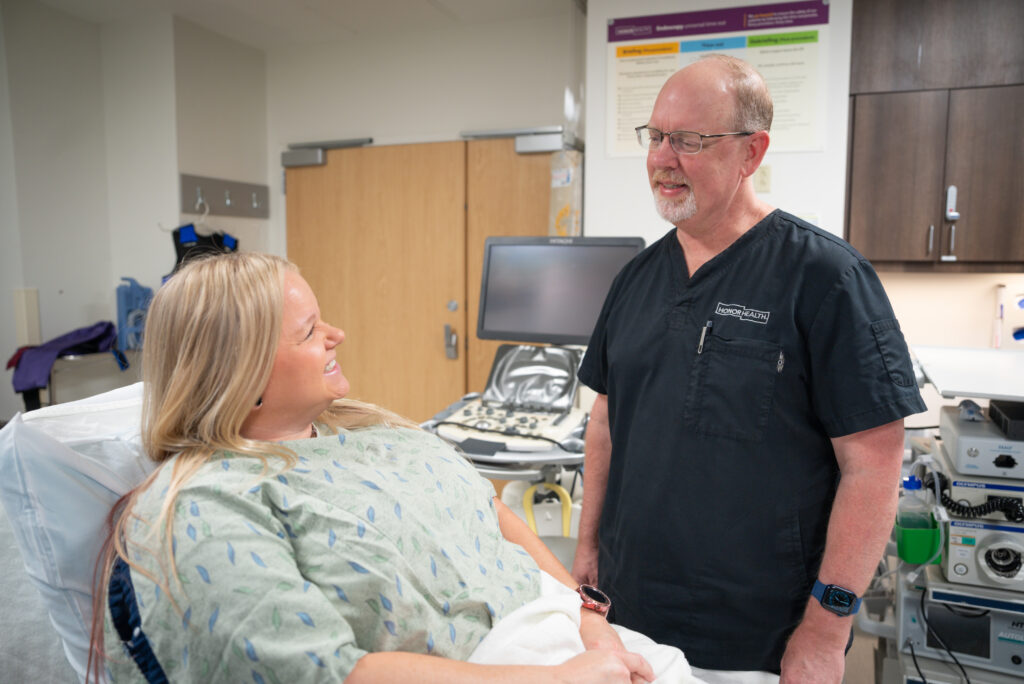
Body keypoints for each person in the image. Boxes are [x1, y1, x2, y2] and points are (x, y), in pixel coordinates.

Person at [87, 251, 702, 683]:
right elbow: (325, 673)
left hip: (578, 640)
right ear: (239, 377)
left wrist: (590, 620)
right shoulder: (207, 506)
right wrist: (562, 678)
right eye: (309, 333)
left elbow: (490, 509)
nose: (338, 334)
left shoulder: (374, 433)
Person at [571, 54, 926, 683]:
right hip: (629, 622)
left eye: (690, 140)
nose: (663, 158)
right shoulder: (635, 281)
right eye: (655, 136)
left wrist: (826, 628)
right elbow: (606, 419)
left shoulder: (826, 278)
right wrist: (588, 547)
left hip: (758, 641)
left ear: (751, 153)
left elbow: (874, 461)